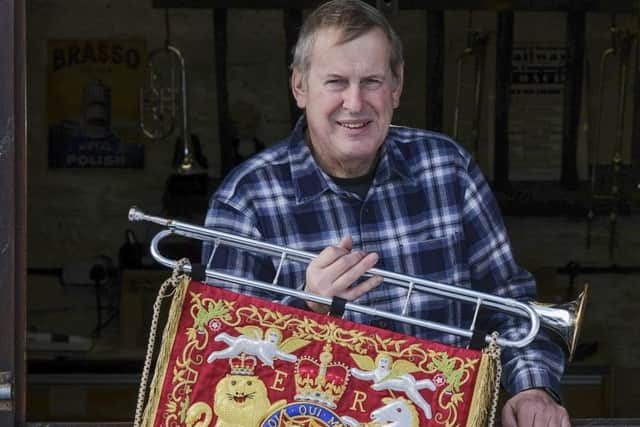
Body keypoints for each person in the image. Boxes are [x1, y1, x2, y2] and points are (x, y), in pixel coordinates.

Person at [202, 1, 570, 425]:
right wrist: (305, 307)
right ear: (300, 87)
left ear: (396, 86)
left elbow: (509, 305)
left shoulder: (447, 169)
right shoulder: (244, 200)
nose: (354, 103)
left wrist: (532, 388)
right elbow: (220, 364)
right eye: (336, 82)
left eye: (372, 81)